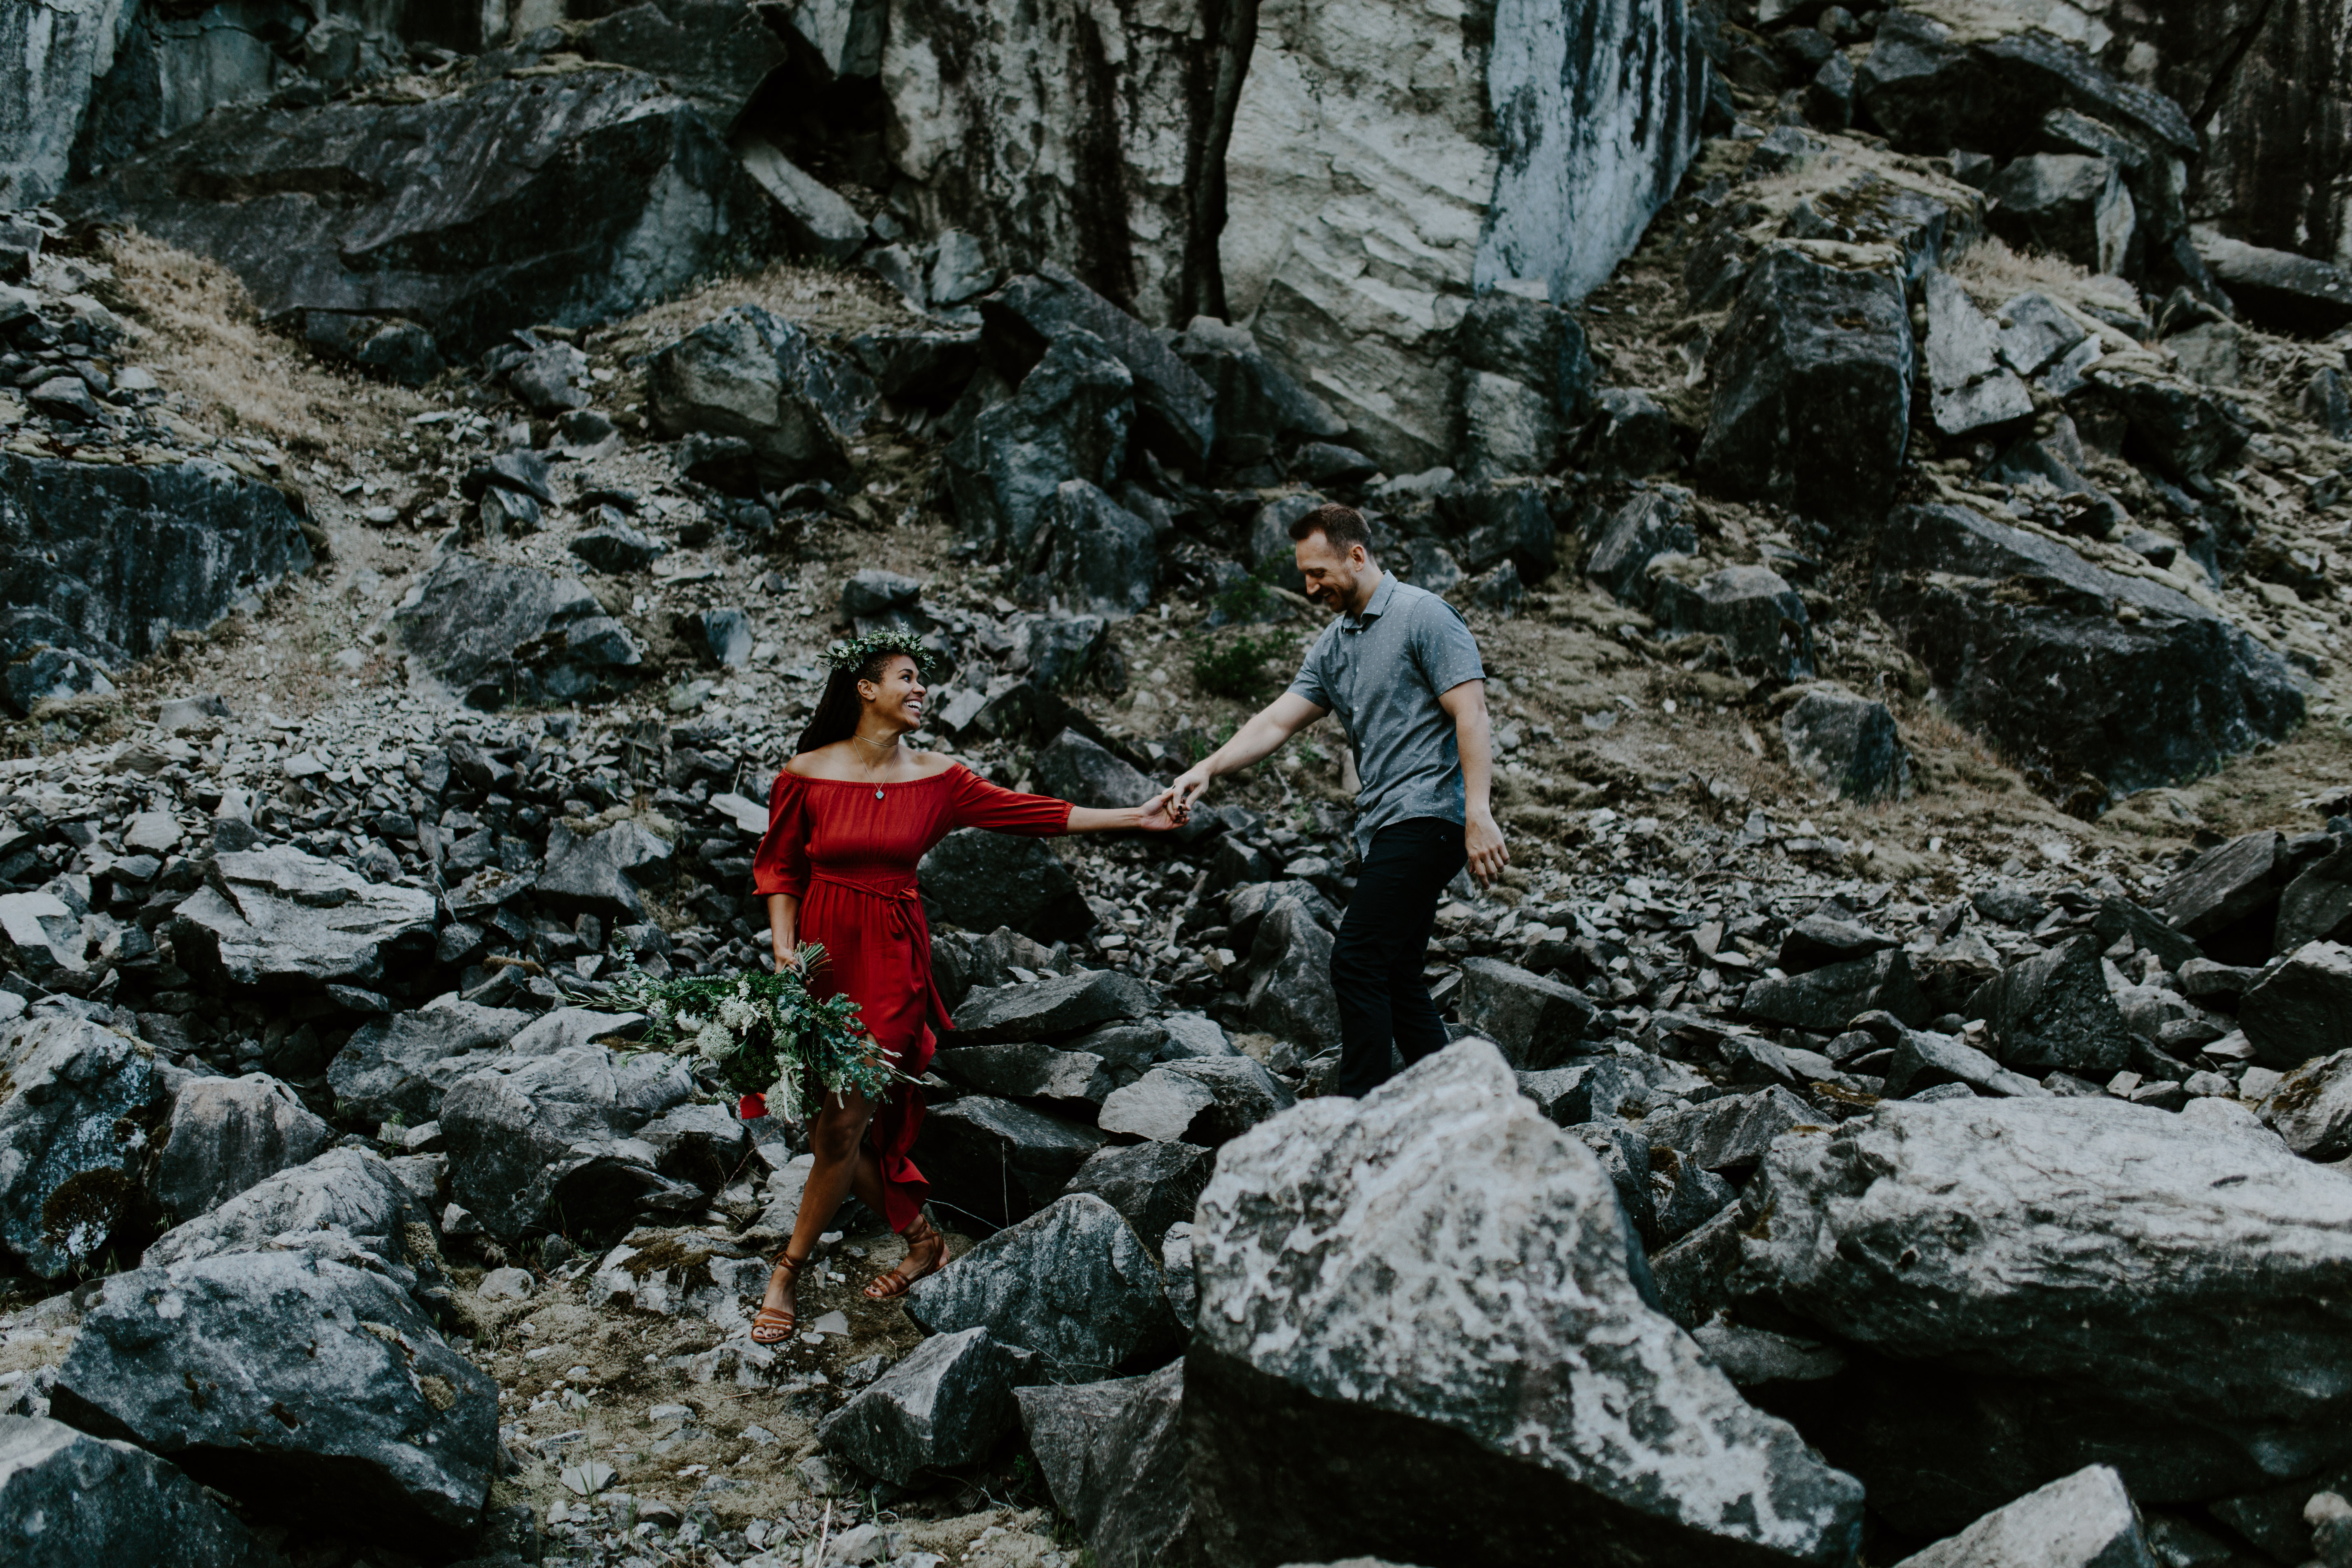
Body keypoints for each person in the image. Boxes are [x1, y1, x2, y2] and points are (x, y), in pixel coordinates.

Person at [747, 630, 1182, 1344]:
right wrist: (786, 949)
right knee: (837, 1122)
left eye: (924, 682)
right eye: (908, 677)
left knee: (842, 1126)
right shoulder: (807, 771)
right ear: (865, 688)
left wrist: (1139, 816)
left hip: (890, 961)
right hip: (824, 961)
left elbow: (1033, 813)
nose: (921, 691)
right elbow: (781, 868)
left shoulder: (939, 778)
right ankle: (922, 1239)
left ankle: (786, 1273)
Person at [1168, 503, 1504, 1098]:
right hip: (1386, 827)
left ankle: (1357, 1122)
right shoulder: (1335, 643)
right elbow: (1276, 722)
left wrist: (1478, 812)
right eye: (1303, 574)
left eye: (1319, 572)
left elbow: (1471, 713)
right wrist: (1208, 766)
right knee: (1397, 975)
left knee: (1355, 961)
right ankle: (1465, 1106)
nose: (1309, 586)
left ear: (1357, 555)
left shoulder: (1424, 615)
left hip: (1428, 817)